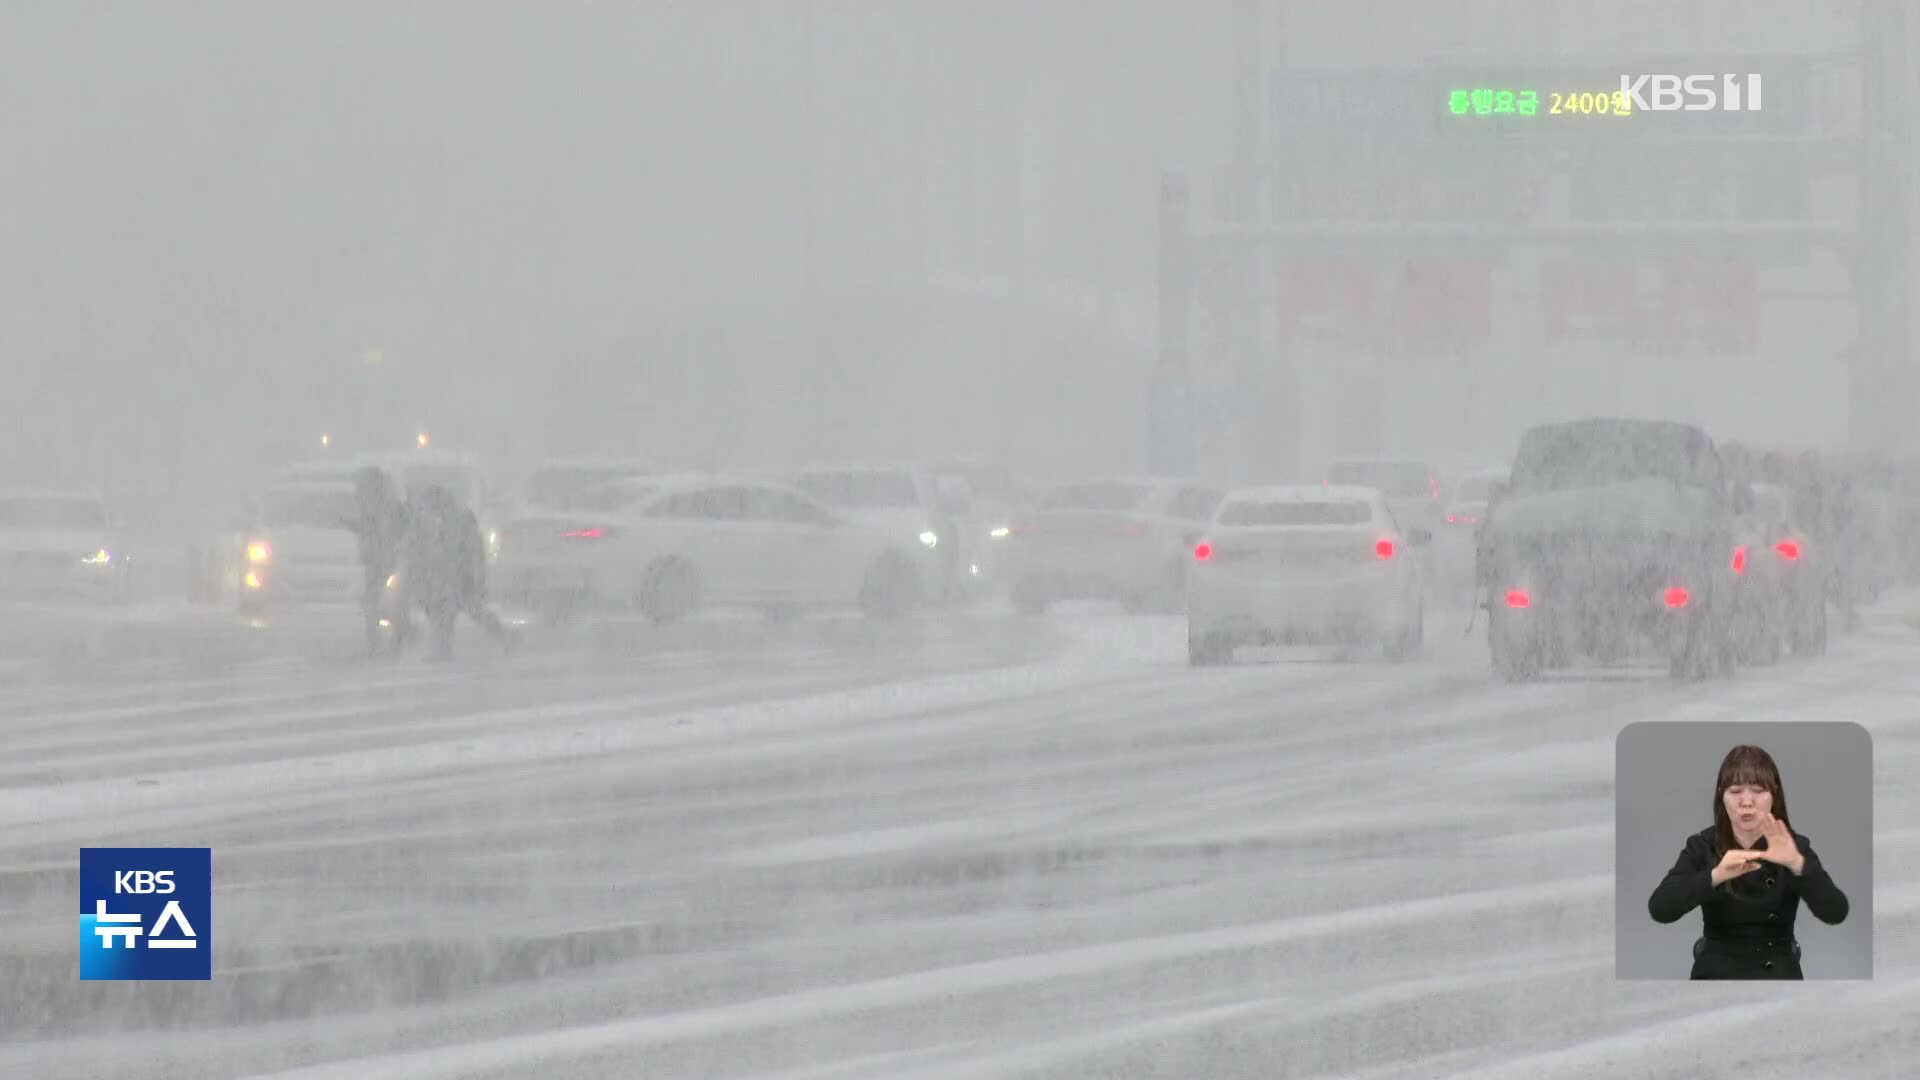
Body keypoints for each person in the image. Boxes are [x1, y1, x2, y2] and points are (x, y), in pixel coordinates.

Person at [1647, 744, 1849, 980]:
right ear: (1721, 797)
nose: (1746, 801)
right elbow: (1659, 908)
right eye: (1735, 791)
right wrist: (1716, 875)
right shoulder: (1702, 845)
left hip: (1779, 968)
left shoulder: (1793, 845)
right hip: (1715, 968)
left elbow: (1836, 912)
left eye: (1757, 790)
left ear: (1774, 796)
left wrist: (1796, 863)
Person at [399, 484, 511, 661]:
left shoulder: (461, 522)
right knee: (443, 614)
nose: (430, 509)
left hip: (462, 578)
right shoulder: (440, 523)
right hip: (449, 579)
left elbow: (470, 552)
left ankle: (505, 638)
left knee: (471, 612)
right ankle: (443, 649)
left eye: (433, 504)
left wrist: (475, 576)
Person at [346, 466, 411, 655]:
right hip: (375, 561)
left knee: (390, 601)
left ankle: (397, 638)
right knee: (372, 603)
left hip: (389, 561)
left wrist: (397, 548)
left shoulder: (390, 507)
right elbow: (368, 530)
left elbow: (402, 529)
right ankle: (377, 641)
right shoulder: (370, 507)